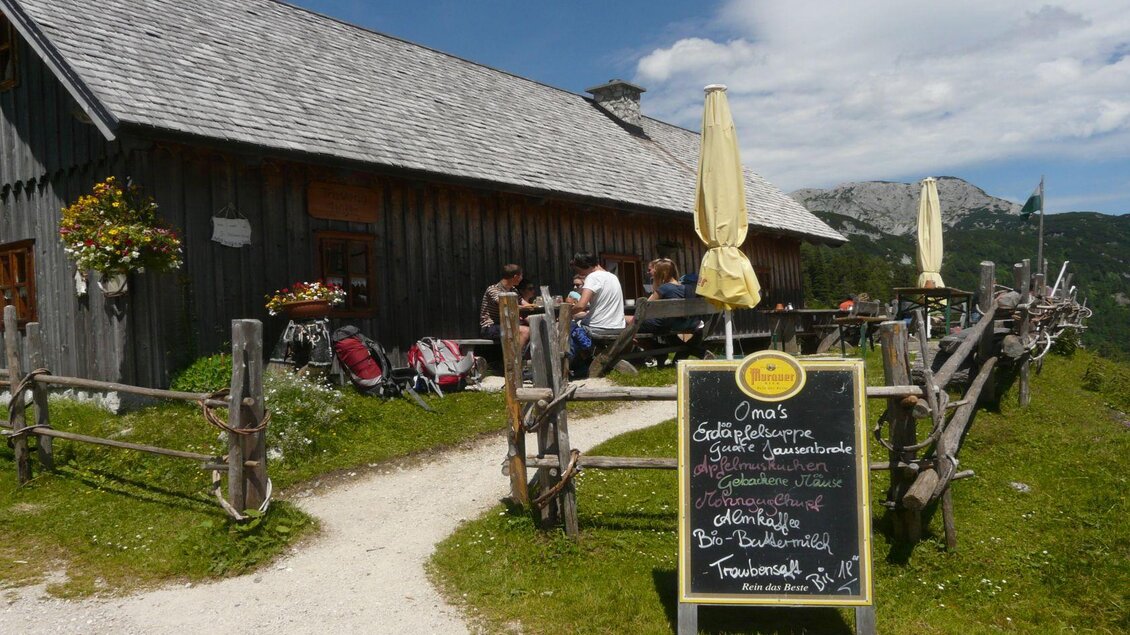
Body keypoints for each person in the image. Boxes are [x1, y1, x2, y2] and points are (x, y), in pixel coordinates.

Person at [569, 252, 625, 334]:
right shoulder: (613, 277)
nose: (580, 274)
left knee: (570, 328)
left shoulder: (593, 277)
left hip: (598, 327)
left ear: (585, 266)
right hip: (619, 327)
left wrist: (566, 313)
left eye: (579, 270)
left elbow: (581, 305)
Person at [638, 258, 697, 334]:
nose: (649, 273)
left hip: (660, 325)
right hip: (675, 324)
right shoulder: (684, 288)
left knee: (622, 321)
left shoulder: (664, 288)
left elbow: (645, 309)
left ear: (660, 273)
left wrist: (655, 285)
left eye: (651, 271)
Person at [479, 264, 529, 349]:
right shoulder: (493, 289)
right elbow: (505, 304)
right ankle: (516, 360)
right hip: (491, 327)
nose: (522, 278)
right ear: (515, 276)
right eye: (521, 276)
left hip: (507, 324)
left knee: (535, 327)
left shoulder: (513, 290)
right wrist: (520, 307)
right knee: (525, 331)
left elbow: (524, 303)